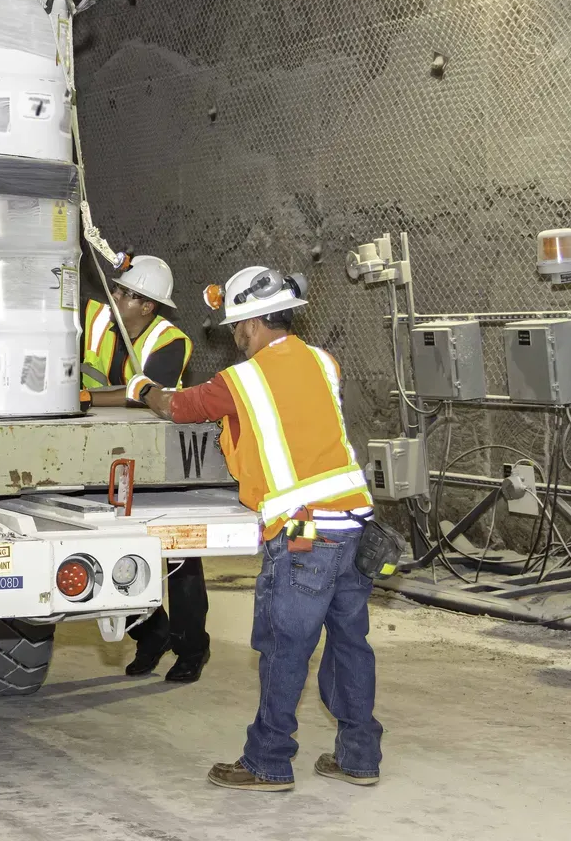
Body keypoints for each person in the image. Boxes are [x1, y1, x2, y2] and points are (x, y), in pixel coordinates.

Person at [139, 265, 383, 792]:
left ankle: (268, 761)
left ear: (250, 323)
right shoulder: (324, 361)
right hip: (355, 524)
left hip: (304, 529)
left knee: (285, 643)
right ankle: (359, 757)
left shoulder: (242, 380)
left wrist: (143, 388)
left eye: (235, 327)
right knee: (349, 643)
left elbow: (178, 407)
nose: (236, 337)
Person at [79, 254, 208, 682]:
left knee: (180, 557)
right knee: (115, 552)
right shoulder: (100, 320)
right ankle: (152, 634)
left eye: (124, 294)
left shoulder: (172, 341)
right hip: (106, 452)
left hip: (158, 456)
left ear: (148, 305)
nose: (114, 297)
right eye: (117, 290)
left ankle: (192, 648)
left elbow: (145, 396)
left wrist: (85, 398)